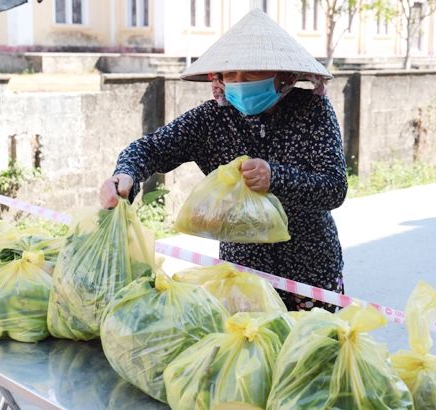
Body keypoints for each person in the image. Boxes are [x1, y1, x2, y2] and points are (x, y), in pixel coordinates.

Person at [99, 9, 347, 312]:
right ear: (217, 79)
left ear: (284, 76)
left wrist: (276, 178)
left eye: (253, 73)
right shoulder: (211, 119)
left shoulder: (312, 111)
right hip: (242, 274)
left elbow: (335, 188)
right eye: (230, 74)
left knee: (309, 357)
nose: (240, 83)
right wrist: (125, 175)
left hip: (309, 271)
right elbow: (150, 149)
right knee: (248, 354)